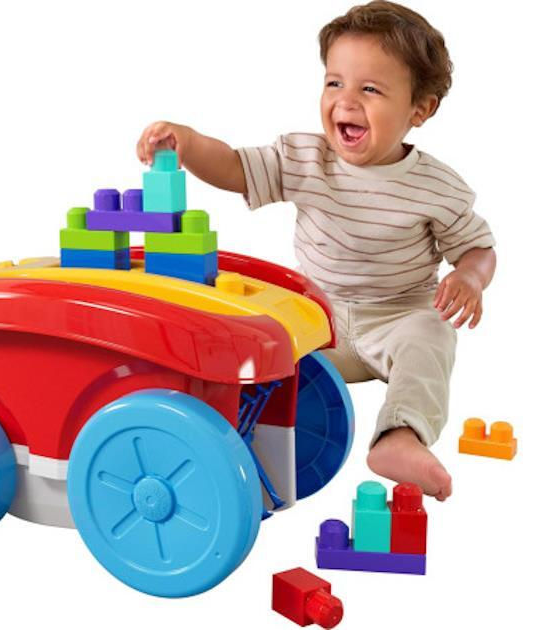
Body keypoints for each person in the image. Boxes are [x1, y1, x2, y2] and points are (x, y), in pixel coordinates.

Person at [135, 1, 496, 501]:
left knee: (431, 336)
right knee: (254, 336)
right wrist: (190, 143)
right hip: (315, 317)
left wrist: (471, 277)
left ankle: (399, 435)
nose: (346, 101)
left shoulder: (437, 187)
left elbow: (477, 247)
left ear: (419, 109)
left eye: (370, 89)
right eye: (334, 82)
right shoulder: (305, 157)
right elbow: (235, 167)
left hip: (396, 319)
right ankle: (226, 432)